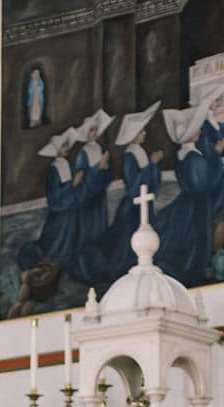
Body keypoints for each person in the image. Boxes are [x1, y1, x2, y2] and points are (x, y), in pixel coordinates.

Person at [74, 100, 163, 286]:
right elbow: (133, 186)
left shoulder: (136, 152)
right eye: (141, 131)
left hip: (132, 202)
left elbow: (141, 181)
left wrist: (104, 169)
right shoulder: (129, 155)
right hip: (129, 205)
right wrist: (151, 165)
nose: (145, 133)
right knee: (123, 242)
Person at [155, 101, 223, 287]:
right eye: (196, 128)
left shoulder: (182, 155)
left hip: (187, 200)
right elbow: (204, 182)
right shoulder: (194, 156)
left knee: (187, 236)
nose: (199, 131)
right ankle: (194, 272)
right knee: (197, 237)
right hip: (198, 202)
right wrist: (215, 155)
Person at [16, 126, 84, 274]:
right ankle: (54, 261)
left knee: (70, 236)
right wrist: (72, 185)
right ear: (57, 150)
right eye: (64, 146)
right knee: (57, 240)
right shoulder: (54, 170)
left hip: (71, 209)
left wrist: (76, 186)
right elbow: (55, 196)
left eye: (67, 145)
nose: (67, 148)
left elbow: (74, 186)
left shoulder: (68, 165)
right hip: (60, 212)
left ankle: (66, 260)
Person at [73, 109, 115, 245]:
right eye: (91, 131)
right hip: (88, 194)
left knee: (100, 219)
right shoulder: (83, 153)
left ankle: (100, 242)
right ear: (86, 133)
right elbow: (81, 177)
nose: (95, 133)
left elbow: (109, 169)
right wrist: (98, 167)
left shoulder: (101, 148)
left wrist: (106, 168)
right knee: (89, 223)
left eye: (96, 130)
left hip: (100, 190)